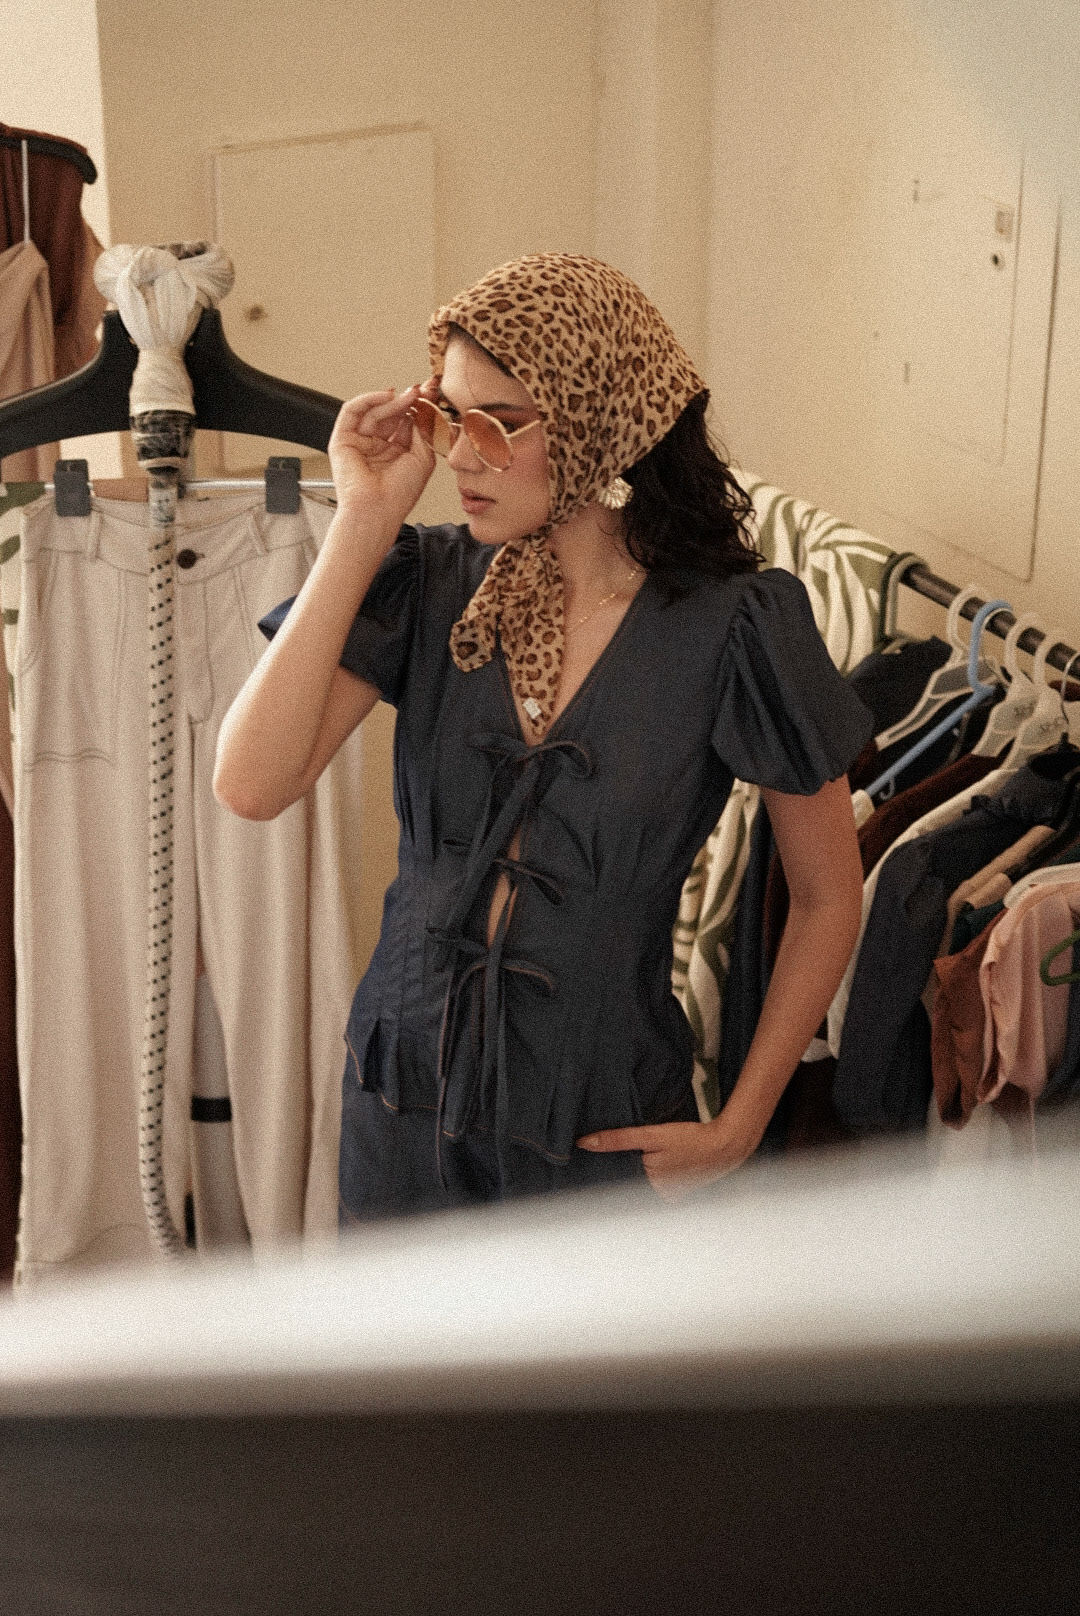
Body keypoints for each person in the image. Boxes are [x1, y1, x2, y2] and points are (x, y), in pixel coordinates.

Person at [214, 253, 871, 1219]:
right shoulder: (429, 583)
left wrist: (739, 1129)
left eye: (499, 423)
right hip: (401, 1110)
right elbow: (251, 784)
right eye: (450, 416)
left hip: (600, 1127)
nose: (459, 457)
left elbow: (826, 895)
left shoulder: (735, 628)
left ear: (597, 416)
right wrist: (362, 520)